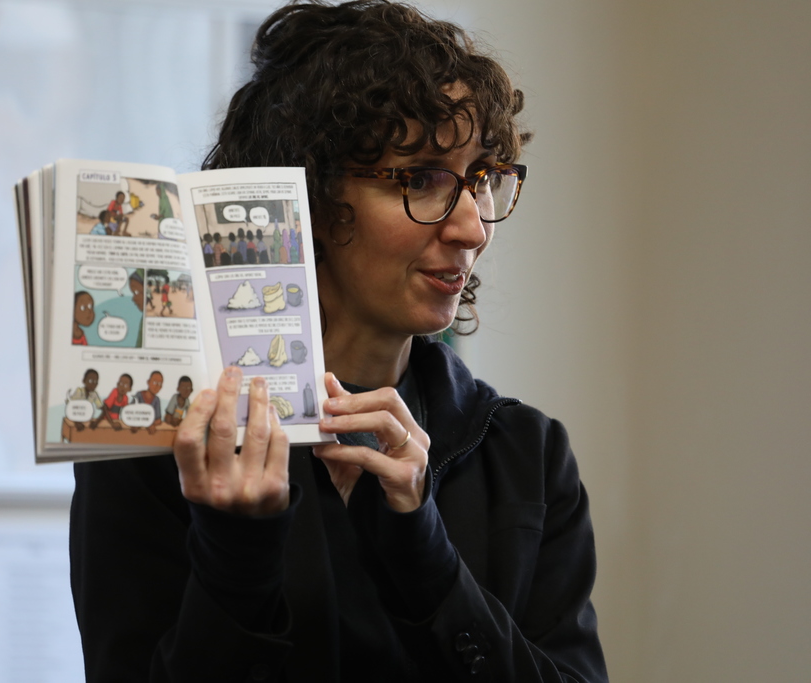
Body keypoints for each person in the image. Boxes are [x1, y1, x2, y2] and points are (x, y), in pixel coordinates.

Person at [70, 2, 606, 682]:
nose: (473, 227)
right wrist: (236, 553)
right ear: (309, 201)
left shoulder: (526, 455)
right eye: (423, 178)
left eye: (482, 178)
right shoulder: (158, 443)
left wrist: (428, 559)